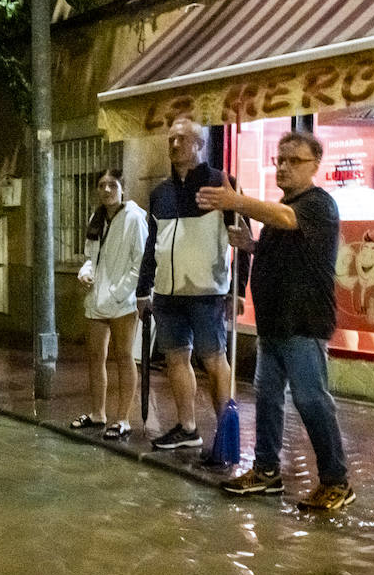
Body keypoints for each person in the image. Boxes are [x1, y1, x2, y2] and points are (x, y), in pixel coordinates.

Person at [200, 131, 354, 511]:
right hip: (274, 324)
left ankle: (336, 479)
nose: (283, 167)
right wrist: (250, 245)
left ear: (315, 164)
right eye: (279, 160)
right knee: (267, 398)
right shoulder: (282, 212)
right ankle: (267, 470)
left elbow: (287, 219)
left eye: (293, 161)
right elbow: (287, 244)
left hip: (303, 323)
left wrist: (238, 200)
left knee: (311, 401)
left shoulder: (318, 204)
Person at [135, 116, 249, 451]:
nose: (174, 145)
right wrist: (144, 289)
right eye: (170, 139)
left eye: (182, 139)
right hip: (168, 293)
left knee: (214, 360)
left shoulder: (222, 184)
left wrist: (238, 291)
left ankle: (225, 434)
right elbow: (152, 244)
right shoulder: (160, 193)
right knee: (175, 358)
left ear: (199, 143)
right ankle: (187, 428)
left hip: (207, 293)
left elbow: (244, 240)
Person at [69, 170, 148, 440]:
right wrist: (86, 270)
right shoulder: (97, 218)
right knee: (95, 356)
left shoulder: (134, 218)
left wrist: (118, 292)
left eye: (111, 185)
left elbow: (140, 262)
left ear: (122, 188)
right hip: (96, 297)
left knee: (124, 356)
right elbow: (91, 255)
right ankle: (97, 413)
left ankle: (123, 417)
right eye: (101, 185)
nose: (106, 190)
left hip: (122, 302)